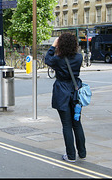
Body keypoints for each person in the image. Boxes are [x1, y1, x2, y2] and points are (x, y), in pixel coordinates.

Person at [45, 33, 86, 163]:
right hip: (75, 91)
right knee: (77, 123)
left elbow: (47, 59)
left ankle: (71, 156)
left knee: (67, 125)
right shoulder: (79, 57)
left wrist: (53, 45)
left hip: (62, 92)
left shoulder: (57, 59)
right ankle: (82, 153)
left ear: (60, 44)